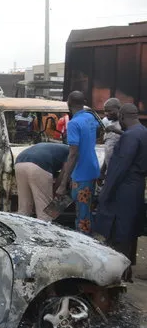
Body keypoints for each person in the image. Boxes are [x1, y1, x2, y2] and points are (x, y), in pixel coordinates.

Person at [94, 103, 147, 281]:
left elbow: (120, 167)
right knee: (131, 228)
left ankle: (120, 273)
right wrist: (119, 133)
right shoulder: (142, 131)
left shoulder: (130, 137)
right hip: (137, 186)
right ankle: (128, 270)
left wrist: (106, 192)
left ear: (123, 116)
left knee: (120, 230)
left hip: (124, 187)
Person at [56, 91, 100, 234]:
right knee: (87, 208)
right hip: (92, 168)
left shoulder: (74, 123)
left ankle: (84, 241)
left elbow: (73, 153)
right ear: (83, 102)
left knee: (82, 213)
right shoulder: (90, 117)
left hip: (82, 172)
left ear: (69, 104)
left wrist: (63, 183)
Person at [14, 143, 70, 221]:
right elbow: (64, 173)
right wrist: (57, 190)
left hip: (19, 163)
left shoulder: (57, 147)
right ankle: (45, 229)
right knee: (44, 213)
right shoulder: (72, 153)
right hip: (39, 164)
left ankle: (19, 230)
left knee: (24, 209)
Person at [100, 98, 122, 179]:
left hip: (119, 170)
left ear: (118, 109)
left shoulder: (124, 123)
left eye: (109, 111)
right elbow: (109, 150)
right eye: (105, 111)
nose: (106, 113)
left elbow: (131, 137)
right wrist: (102, 170)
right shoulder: (106, 122)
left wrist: (116, 130)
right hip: (109, 170)